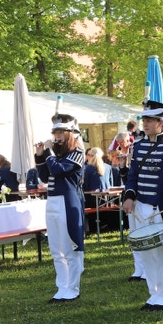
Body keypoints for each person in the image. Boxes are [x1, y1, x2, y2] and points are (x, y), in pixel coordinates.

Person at [121, 100, 163, 310]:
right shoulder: (138, 146)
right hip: (140, 206)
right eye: (144, 120)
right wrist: (129, 196)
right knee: (146, 254)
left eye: (150, 120)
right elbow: (132, 176)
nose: (145, 124)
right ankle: (153, 295)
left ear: (160, 123)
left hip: (159, 208)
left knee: (162, 254)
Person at [35, 113, 86, 302]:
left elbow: (58, 170)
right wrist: (40, 156)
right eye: (55, 132)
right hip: (53, 200)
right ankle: (62, 287)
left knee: (69, 247)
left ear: (70, 133)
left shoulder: (77, 153)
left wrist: (48, 153)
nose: (57, 136)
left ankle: (72, 288)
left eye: (61, 132)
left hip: (67, 202)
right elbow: (45, 175)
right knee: (56, 249)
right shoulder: (56, 155)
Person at [83, 147, 112, 232]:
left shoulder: (88, 168)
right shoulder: (108, 167)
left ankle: (93, 229)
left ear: (90, 156)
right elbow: (111, 184)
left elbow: (86, 186)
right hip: (107, 198)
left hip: (92, 199)